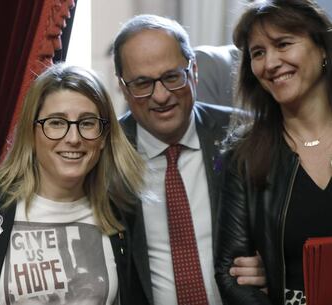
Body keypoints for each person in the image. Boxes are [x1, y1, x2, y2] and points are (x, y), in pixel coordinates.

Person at [0, 63, 145, 305]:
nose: (73, 138)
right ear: (31, 133)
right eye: (56, 123)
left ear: (103, 138)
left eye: (87, 123)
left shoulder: (119, 212)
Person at [112, 14, 266, 305]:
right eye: (142, 83)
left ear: (193, 70)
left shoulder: (246, 135)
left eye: (172, 77)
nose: (160, 96)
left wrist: (272, 264)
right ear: (123, 87)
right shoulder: (105, 154)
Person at [214, 0, 332, 304]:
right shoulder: (242, 156)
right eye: (258, 53)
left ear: (322, 48)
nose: (270, 63)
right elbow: (231, 274)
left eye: (283, 44)